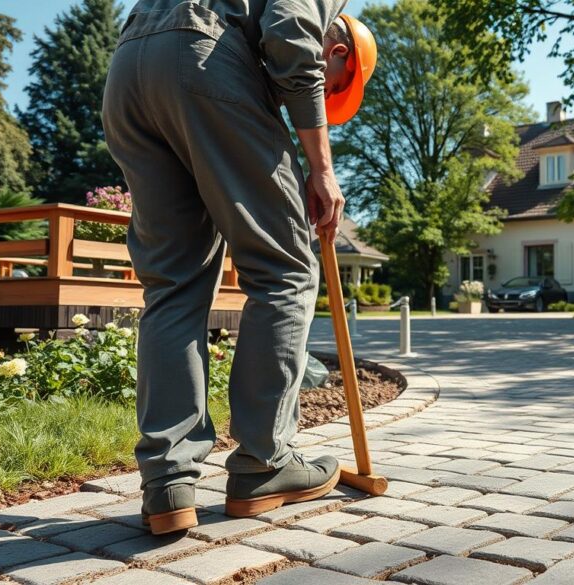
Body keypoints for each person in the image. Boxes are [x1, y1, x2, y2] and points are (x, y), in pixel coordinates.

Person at [102, 0, 376, 535]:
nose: (315, 94)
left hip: (130, 69)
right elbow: (292, 32)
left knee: (173, 285)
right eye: (331, 83)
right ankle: (264, 463)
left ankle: (167, 483)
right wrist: (321, 167)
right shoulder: (320, 33)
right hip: (204, 58)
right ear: (337, 52)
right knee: (285, 270)